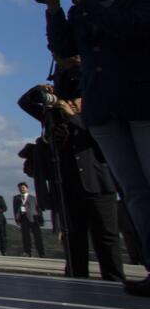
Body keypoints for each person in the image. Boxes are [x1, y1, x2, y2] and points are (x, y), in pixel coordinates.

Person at [42, 0, 150, 297]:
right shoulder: (83, 8)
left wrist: (82, 1)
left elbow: (130, 31)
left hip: (140, 102)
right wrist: (55, 6)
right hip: (104, 108)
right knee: (134, 191)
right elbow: (62, 48)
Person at [17, 68, 124, 281]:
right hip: (66, 182)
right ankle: (76, 281)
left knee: (107, 237)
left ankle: (114, 279)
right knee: (73, 237)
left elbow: (100, 136)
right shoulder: (52, 113)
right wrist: (39, 90)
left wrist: (72, 115)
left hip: (98, 181)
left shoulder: (97, 108)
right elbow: (25, 103)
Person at [13, 182, 45, 257]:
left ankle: (41, 252)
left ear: (27, 188)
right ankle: (27, 252)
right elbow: (15, 209)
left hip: (34, 219)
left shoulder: (33, 198)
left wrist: (41, 220)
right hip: (23, 219)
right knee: (25, 237)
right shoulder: (16, 198)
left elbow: (38, 209)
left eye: (23, 187)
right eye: (20, 188)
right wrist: (17, 219)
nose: (22, 189)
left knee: (38, 237)